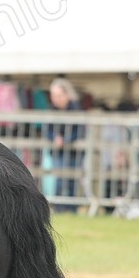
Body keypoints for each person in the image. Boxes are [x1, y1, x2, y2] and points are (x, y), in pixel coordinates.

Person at [43, 78, 84, 211]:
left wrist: (66, 140)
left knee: (72, 180)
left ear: (67, 95)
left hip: (74, 152)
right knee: (59, 178)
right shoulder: (51, 110)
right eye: (54, 95)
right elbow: (47, 130)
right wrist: (55, 138)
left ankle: (71, 208)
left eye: (59, 95)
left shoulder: (76, 109)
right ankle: (59, 208)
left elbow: (81, 130)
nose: (56, 99)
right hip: (58, 151)